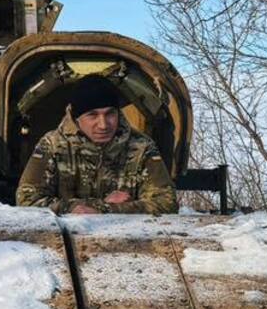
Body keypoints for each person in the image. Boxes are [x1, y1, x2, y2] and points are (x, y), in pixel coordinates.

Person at [15, 75, 178, 214]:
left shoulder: (142, 147)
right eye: (92, 115)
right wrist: (78, 208)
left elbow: (167, 203)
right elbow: (27, 200)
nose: (103, 124)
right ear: (76, 118)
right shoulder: (52, 144)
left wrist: (109, 210)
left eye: (110, 114)